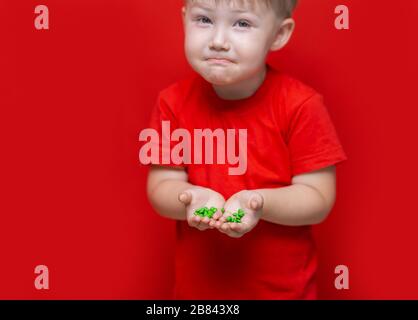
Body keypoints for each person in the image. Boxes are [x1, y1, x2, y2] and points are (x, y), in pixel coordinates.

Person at [145, 0, 348, 299]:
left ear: (279, 34)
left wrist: (259, 203)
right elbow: (160, 185)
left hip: (283, 293)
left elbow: (318, 198)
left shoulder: (301, 106)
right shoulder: (171, 103)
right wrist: (190, 199)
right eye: (204, 19)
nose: (218, 42)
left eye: (241, 24)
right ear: (184, 18)